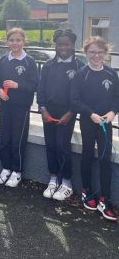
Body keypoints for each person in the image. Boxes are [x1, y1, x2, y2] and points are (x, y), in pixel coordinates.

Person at [71, 36, 119, 222]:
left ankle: (105, 199)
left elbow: (117, 97)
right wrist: (90, 114)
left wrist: (113, 112)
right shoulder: (81, 74)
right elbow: (75, 100)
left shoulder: (111, 73)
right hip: (88, 120)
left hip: (106, 122)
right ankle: (87, 190)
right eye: (92, 52)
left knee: (105, 158)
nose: (96, 55)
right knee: (88, 154)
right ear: (86, 53)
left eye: (100, 52)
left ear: (105, 53)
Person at [37, 29, 84, 200]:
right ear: (55, 45)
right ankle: (53, 178)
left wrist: (71, 113)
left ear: (73, 45)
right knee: (50, 145)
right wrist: (43, 109)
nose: (63, 47)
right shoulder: (49, 65)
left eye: (67, 44)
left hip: (67, 113)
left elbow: (80, 95)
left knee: (62, 146)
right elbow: (41, 89)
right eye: (60, 44)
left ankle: (66, 182)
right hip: (48, 112)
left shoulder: (79, 66)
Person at [0, 28, 39, 188]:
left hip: (21, 107)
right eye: (12, 40)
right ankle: (6, 168)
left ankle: (17, 170)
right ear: (7, 42)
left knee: (17, 140)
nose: (15, 43)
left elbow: (34, 85)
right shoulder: (3, 60)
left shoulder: (29, 61)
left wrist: (17, 85)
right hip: (5, 106)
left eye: (18, 40)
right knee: (5, 137)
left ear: (24, 41)